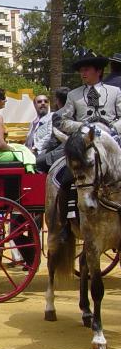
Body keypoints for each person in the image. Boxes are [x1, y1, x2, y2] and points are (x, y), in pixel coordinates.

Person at [52, 51, 121, 225]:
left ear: (98, 71)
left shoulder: (115, 92)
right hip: (85, 143)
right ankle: (64, 224)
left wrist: (112, 129)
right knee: (65, 178)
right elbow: (62, 121)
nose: (83, 73)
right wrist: (83, 127)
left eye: (87, 69)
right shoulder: (73, 95)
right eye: (81, 70)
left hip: (112, 141)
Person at [0, 88, 36, 172]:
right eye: (3, 98)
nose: (6, 100)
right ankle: (30, 172)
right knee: (25, 153)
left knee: (21, 147)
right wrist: (12, 149)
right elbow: (0, 144)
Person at [35, 87, 69, 172]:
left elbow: (54, 140)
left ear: (58, 100)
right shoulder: (75, 112)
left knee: (36, 163)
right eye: (39, 102)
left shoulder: (58, 114)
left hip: (63, 151)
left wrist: (45, 152)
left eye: (46, 101)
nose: (43, 104)